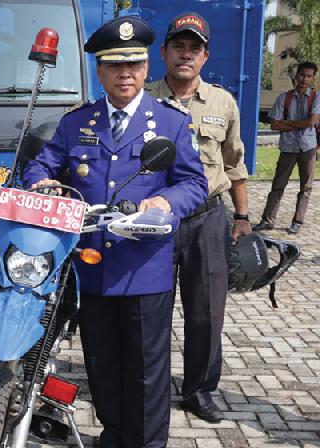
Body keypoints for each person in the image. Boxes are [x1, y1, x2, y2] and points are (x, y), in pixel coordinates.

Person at [23, 16, 208, 448]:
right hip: (92, 268)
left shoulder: (170, 122)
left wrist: (166, 202)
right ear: (100, 71)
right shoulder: (76, 123)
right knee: (102, 365)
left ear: (146, 69)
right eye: (114, 65)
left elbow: (194, 184)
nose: (125, 74)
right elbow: (42, 164)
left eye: (134, 65)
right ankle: (113, 435)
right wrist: (42, 182)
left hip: (145, 268)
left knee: (146, 371)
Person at [146, 12, 252, 423]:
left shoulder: (223, 102)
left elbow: (234, 164)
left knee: (206, 311)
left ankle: (199, 390)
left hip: (208, 219)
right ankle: (150, 385)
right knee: (150, 307)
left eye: (194, 48)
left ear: (204, 56)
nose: (185, 54)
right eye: (178, 46)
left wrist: (242, 217)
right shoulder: (145, 97)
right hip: (156, 220)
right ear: (164, 52)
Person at [254, 62, 320, 234]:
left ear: (313, 78)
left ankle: (297, 221)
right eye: (302, 75)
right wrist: (300, 125)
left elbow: (312, 122)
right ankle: (267, 220)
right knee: (278, 185)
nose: (304, 79)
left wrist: (287, 123)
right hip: (288, 148)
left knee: (306, 187)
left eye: (309, 76)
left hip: (308, 148)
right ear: (296, 75)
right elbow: (274, 125)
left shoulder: (316, 97)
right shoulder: (284, 98)